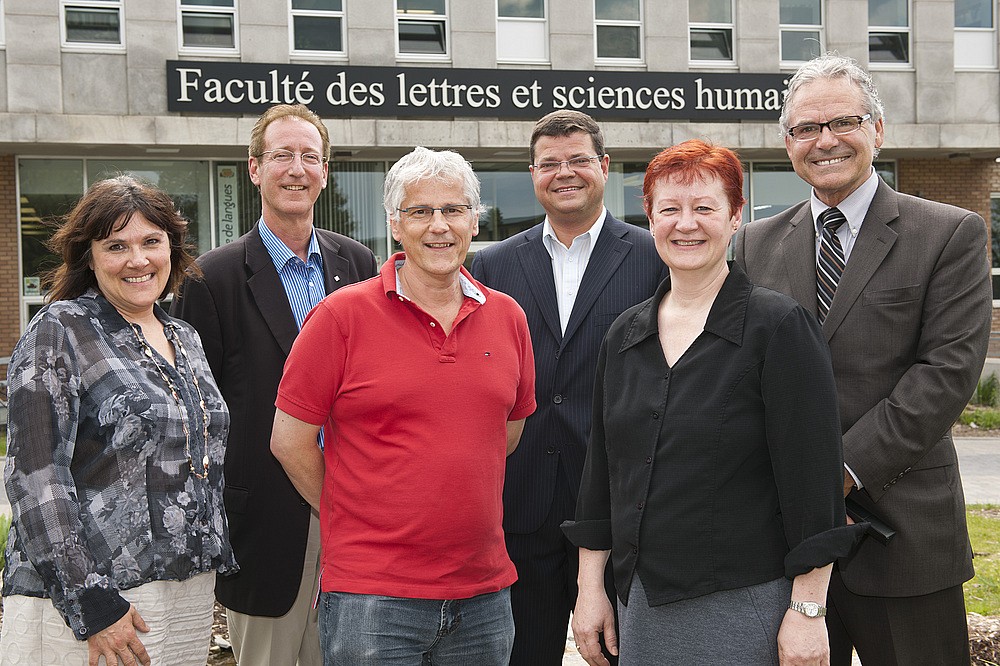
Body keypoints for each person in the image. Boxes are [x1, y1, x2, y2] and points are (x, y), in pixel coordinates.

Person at [734, 53, 992, 665]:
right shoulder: (751, 245)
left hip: (905, 534)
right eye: (804, 129)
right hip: (784, 543)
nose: (824, 141)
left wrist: (838, 473)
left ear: (877, 130)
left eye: (842, 122)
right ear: (787, 144)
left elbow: (945, 375)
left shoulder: (950, 234)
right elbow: (738, 378)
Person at [565, 140, 864, 666]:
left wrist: (808, 610)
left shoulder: (778, 328)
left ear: (735, 217)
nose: (687, 224)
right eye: (670, 209)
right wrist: (592, 588)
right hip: (641, 602)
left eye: (704, 207)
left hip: (741, 603)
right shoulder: (624, 335)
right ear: (649, 217)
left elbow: (813, 484)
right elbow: (601, 475)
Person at [270, 146, 536, 665]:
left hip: (484, 595)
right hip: (374, 597)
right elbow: (289, 439)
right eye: (420, 212)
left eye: (454, 210)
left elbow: (505, 431)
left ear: (474, 222)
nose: (439, 226)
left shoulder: (508, 318)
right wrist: (355, 512)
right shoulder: (340, 317)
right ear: (395, 224)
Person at [170, 103, 377, 666]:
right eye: (281, 154)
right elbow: (194, 419)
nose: (296, 167)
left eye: (310, 155)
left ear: (326, 172)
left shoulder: (358, 263)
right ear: (255, 169)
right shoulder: (211, 279)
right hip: (264, 521)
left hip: (357, 515)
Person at [0, 175, 236, 666]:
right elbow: (35, 476)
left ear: (171, 248)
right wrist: (93, 603)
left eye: (152, 241)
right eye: (116, 246)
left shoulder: (185, 336)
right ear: (89, 256)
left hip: (186, 590)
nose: (138, 259)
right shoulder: (60, 330)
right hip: (97, 601)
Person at [470, 109, 666, 665]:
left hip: (624, 504)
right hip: (521, 505)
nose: (565, 172)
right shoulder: (491, 266)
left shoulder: (656, 257)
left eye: (578, 160)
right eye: (549, 163)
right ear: (533, 174)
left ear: (604, 167)